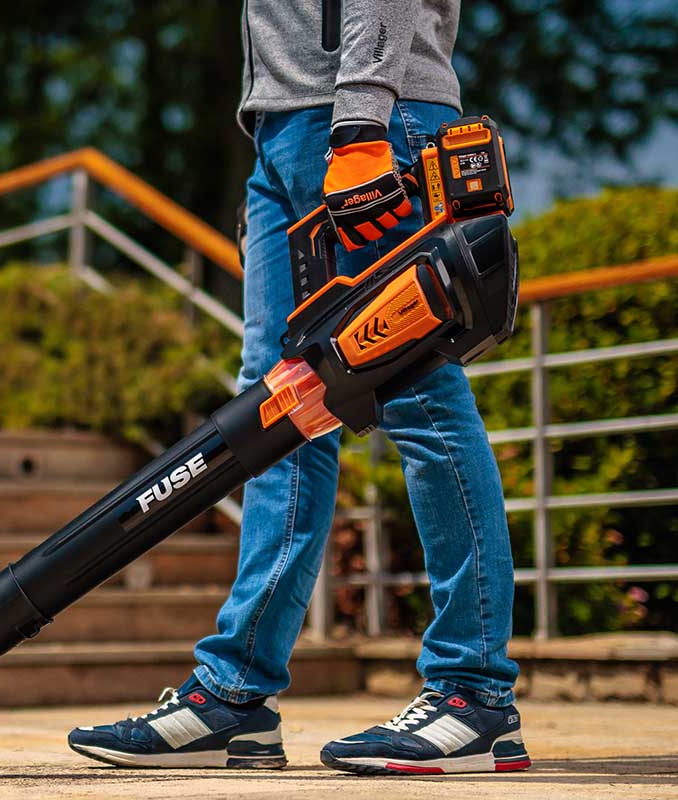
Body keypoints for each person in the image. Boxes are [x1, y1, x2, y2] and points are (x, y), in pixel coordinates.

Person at [69, 0, 529, 776]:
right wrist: (281, 145)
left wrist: (360, 122)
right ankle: (235, 696)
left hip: (367, 119)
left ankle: (474, 691)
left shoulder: (363, 117)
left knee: (420, 393)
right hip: (285, 129)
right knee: (278, 414)